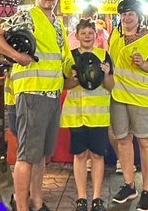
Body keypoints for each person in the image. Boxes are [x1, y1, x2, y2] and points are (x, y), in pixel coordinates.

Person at [0, 0, 72, 211]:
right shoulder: (27, 16)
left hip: (53, 95)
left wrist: (75, 71)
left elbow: (63, 59)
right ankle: (22, 207)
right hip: (32, 94)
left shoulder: (57, 23)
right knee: (26, 156)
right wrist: (17, 57)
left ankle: (36, 201)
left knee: (41, 154)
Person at [109, 0, 148, 211]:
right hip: (117, 97)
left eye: (130, 13)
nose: (127, 17)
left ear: (138, 16)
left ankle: (147, 191)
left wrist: (143, 63)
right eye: (123, 14)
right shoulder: (115, 34)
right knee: (123, 141)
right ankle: (129, 185)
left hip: (141, 99)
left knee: (145, 142)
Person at [61, 19, 115, 211]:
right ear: (76, 36)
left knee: (98, 155)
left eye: (90, 33)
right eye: (83, 33)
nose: (87, 36)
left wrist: (107, 74)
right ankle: (82, 198)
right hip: (76, 115)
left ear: (96, 35)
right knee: (80, 155)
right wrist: (74, 80)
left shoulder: (104, 56)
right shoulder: (70, 58)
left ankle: (97, 198)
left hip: (98, 116)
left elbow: (110, 86)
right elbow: (63, 85)